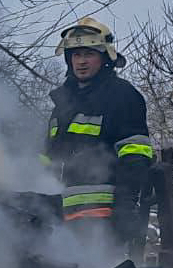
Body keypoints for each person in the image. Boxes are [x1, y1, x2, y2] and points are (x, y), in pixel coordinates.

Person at [41, 17, 154, 251]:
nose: (81, 62)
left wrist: (125, 205)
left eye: (89, 54)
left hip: (103, 217)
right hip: (62, 217)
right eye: (76, 55)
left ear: (105, 57)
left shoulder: (122, 96)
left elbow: (135, 155)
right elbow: (48, 159)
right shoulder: (62, 103)